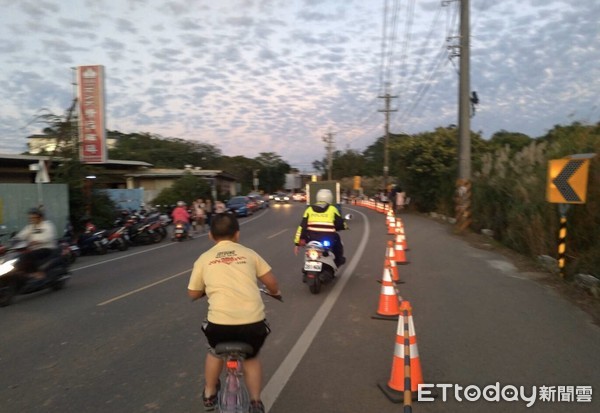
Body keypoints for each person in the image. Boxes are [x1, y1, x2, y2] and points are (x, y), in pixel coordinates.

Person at [188, 213, 280, 413]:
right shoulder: (249, 254)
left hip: (219, 328)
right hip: (252, 326)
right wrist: (274, 292)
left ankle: (209, 393)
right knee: (252, 357)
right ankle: (256, 402)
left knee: (214, 351)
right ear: (237, 234)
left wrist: (205, 290)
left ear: (211, 235)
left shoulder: (204, 259)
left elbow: (193, 293)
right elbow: (272, 283)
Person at [293, 189, 347, 267]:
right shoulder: (332, 209)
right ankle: (338, 260)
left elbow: (302, 227)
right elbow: (339, 224)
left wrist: (297, 243)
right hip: (328, 239)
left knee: (308, 249)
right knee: (337, 241)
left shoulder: (309, 210)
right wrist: (343, 226)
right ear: (330, 198)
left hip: (311, 239)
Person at [15, 208, 57, 279]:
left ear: (40, 217)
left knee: (27, 255)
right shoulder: (30, 227)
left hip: (46, 248)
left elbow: (49, 236)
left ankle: (38, 272)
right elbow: (22, 235)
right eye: (30, 218)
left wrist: (38, 241)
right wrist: (15, 239)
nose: (32, 219)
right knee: (17, 258)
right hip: (34, 249)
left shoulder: (47, 225)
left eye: (34, 217)